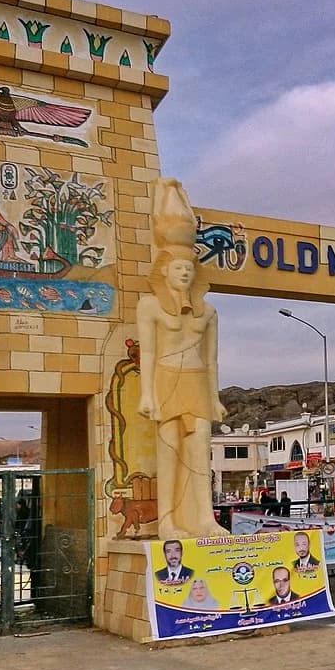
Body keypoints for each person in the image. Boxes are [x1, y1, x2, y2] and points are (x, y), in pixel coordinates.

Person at [136, 179, 229, 539]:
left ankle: (204, 519)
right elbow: (148, 351)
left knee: (200, 444)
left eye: (189, 268)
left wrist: (216, 397)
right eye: (178, 268)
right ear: (164, 270)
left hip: (196, 382)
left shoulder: (208, 312)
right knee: (170, 447)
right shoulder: (150, 306)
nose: (185, 272)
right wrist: (147, 393)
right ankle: (169, 521)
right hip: (165, 377)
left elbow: (213, 360)